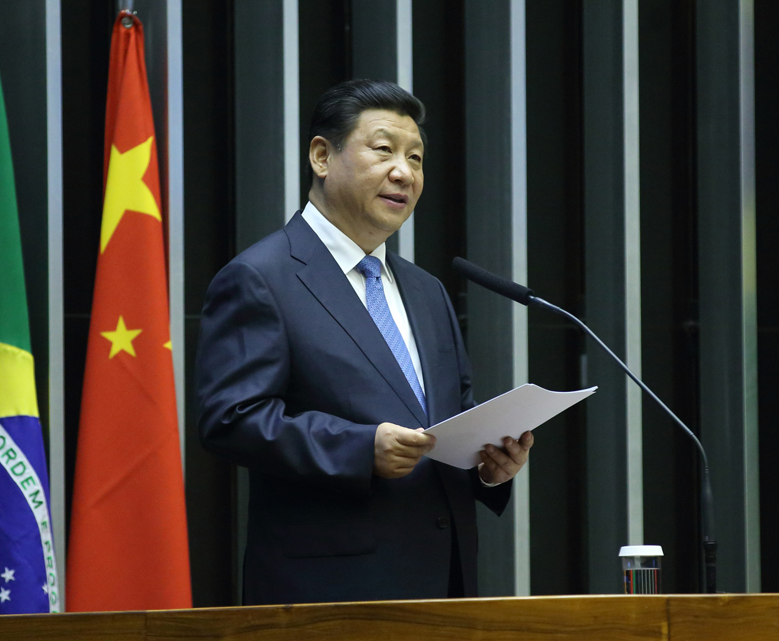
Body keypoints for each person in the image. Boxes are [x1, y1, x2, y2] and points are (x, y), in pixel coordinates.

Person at [195, 79, 533, 606]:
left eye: (416, 157)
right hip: (329, 594)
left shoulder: (426, 290)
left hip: (443, 588)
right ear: (322, 156)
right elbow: (231, 419)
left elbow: (451, 417)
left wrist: (489, 467)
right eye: (384, 150)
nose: (405, 172)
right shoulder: (262, 277)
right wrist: (359, 447)